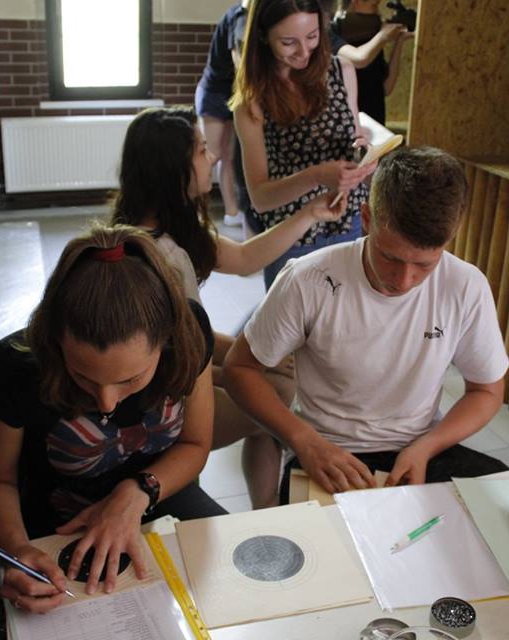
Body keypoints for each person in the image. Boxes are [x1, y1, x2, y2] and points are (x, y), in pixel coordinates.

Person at [223, 147, 509, 502]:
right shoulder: (309, 279)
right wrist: (303, 440)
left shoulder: (465, 286)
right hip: (327, 449)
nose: (404, 280)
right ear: (367, 218)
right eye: (390, 257)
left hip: (420, 446)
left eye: (424, 264)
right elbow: (240, 369)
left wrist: (427, 446)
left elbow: (486, 391)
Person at [0, 225, 225, 613]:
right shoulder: (13, 368)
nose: (106, 402)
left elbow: (195, 444)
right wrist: (17, 548)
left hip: (161, 496)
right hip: (56, 528)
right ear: (54, 341)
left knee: (228, 594)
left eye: (130, 380)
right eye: (83, 377)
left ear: (167, 340)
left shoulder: (189, 334)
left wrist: (136, 493)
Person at [110, 106, 346, 508]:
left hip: (171, 373)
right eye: (202, 150)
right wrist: (246, 360)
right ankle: (261, 505)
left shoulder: (160, 227)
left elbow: (244, 258)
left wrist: (310, 213)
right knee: (273, 395)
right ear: (173, 170)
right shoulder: (160, 254)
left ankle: (262, 505)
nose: (214, 157)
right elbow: (189, 348)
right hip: (155, 400)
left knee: (265, 377)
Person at [231, 0, 377, 288]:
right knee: (292, 316)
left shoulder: (342, 71)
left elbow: (355, 136)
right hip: (292, 236)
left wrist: (363, 152)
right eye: (288, 42)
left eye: (312, 36)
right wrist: (317, 175)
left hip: (349, 222)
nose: (304, 51)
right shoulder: (252, 102)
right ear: (263, 36)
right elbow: (260, 198)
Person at [196, 1, 250, 227]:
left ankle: (231, 212)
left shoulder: (249, 14)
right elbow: (239, 61)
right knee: (212, 154)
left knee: (228, 156)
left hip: (232, 93)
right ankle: (192, 210)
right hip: (214, 93)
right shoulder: (240, 15)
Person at [333, 0, 413, 124]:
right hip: (347, 126)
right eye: (374, 6)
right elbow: (360, 59)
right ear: (356, 2)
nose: (378, 13)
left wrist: (400, 40)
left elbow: (386, 87)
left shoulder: (371, 38)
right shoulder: (333, 33)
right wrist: (382, 36)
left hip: (376, 122)